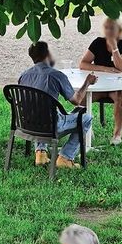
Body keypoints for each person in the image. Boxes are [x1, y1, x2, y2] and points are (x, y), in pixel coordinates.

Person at [18, 41, 97, 169]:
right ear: (47, 54)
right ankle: (65, 158)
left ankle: (41, 153)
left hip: (27, 124)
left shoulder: (24, 75)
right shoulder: (56, 75)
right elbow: (76, 100)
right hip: (51, 127)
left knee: (40, 111)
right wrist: (87, 82)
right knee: (86, 118)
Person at [78, 17, 122, 145]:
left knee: (120, 95)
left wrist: (114, 47)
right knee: (81, 98)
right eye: (106, 28)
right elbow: (83, 64)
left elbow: (121, 67)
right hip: (102, 84)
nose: (108, 31)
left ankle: (117, 135)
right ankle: (86, 128)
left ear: (119, 29)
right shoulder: (98, 42)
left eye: (112, 28)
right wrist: (105, 69)